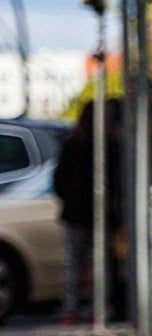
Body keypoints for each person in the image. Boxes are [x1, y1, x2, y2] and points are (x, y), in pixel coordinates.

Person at [53, 95, 124, 323]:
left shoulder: (72, 143)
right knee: (100, 265)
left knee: (73, 264)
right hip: (101, 215)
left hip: (75, 214)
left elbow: (59, 180)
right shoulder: (110, 145)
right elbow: (117, 182)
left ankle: (71, 310)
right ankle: (98, 310)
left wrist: (69, 200)